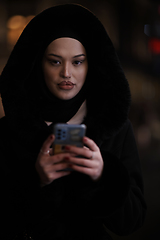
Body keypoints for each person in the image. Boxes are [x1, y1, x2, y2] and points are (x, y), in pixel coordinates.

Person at [0, 4, 147, 240]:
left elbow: (133, 221)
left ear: (91, 65)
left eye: (77, 62)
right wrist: (37, 182)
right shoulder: (8, 131)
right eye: (55, 61)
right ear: (39, 64)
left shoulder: (116, 129)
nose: (66, 73)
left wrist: (103, 176)